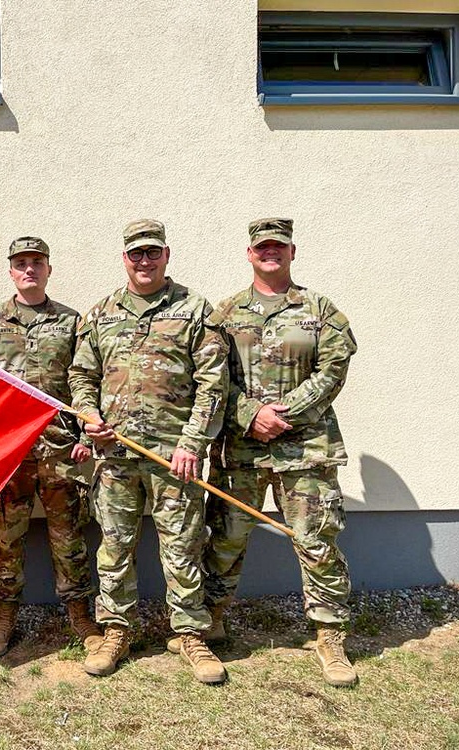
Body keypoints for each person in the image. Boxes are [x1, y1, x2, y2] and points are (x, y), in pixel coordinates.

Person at [68, 219, 230, 683]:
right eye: (136, 253)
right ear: (124, 258)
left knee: (182, 547)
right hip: (115, 457)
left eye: (152, 252)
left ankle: (189, 634)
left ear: (166, 255)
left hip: (174, 458)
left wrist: (192, 442)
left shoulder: (195, 310)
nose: (144, 260)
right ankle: (116, 629)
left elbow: (212, 383)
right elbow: (82, 376)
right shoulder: (100, 314)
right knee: (115, 548)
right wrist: (87, 415)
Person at [201, 217, 359, 687]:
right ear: (249, 254)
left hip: (306, 449)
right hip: (242, 449)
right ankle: (212, 619)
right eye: (262, 247)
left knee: (316, 541)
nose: (271, 253)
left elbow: (333, 370)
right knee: (226, 537)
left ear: (292, 253)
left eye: (279, 247)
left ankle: (330, 636)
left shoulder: (320, 309)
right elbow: (212, 379)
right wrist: (251, 414)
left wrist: (283, 411)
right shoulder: (225, 314)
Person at [0, 236, 102, 657]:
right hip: (9, 454)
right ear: (11, 270)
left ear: (49, 269)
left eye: (37, 262)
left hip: (61, 448)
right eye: (21, 263)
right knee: (6, 538)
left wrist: (84, 436)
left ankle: (80, 613)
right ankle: (5, 615)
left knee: (69, 536)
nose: (29, 269)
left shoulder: (72, 322)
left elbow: (86, 380)